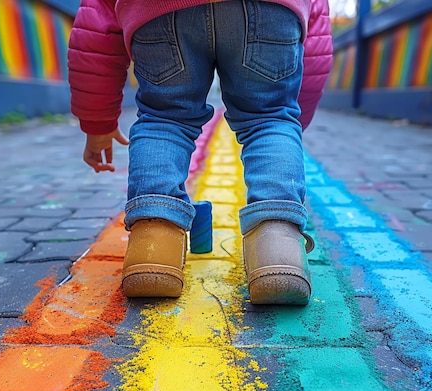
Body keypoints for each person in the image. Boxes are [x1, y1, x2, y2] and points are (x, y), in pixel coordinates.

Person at [68, 0, 333, 305]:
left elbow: (95, 28)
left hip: (156, 11)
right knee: (268, 117)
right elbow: (316, 46)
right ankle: (278, 246)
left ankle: (154, 241)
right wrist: (295, 120)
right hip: (272, 11)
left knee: (165, 118)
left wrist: (97, 120)